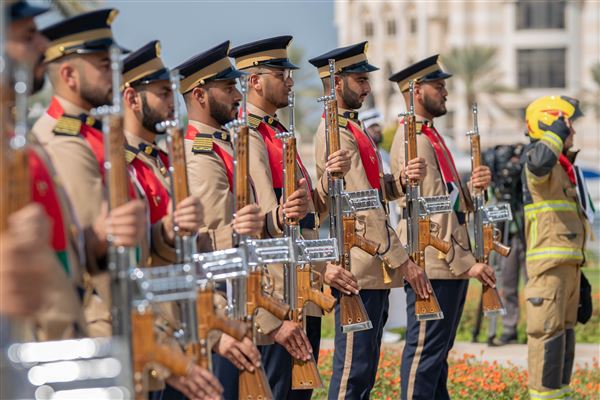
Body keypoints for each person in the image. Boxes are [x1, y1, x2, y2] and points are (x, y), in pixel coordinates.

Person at [229, 35, 352, 399]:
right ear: (254, 81)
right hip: (280, 289)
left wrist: (330, 179)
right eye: (279, 73)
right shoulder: (249, 135)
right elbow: (272, 222)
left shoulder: (279, 131)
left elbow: (308, 215)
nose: (289, 80)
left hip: (302, 284)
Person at [310, 42, 428, 400]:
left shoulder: (354, 129)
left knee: (365, 371)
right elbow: (363, 208)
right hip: (356, 268)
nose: (367, 88)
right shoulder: (336, 132)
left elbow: (370, 192)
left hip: (369, 265)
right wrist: (404, 262)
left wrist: (398, 182)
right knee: (353, 372)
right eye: (360, 80)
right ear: (336, 82)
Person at [388, 54, 496, 400]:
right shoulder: (415, 139)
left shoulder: (431, 137)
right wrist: (467, 263)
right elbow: (433, 211)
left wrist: (474, 189)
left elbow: (448, 202)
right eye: (439, 86)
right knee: (425, 353)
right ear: (417, 91)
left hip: (445, 261)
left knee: (438, 355)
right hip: (435, 259)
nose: (445, 91)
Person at [522, 95, 588, 400]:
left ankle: (560, 395)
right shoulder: (538, 161)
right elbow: (537, 163)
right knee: (546, 336)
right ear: (550, 124)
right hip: (548, 270)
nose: (571, 132)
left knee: (564, 336)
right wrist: (554, 133)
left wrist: (580, 273)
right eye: (566, 125)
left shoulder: (563, 168)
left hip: (566, 267)